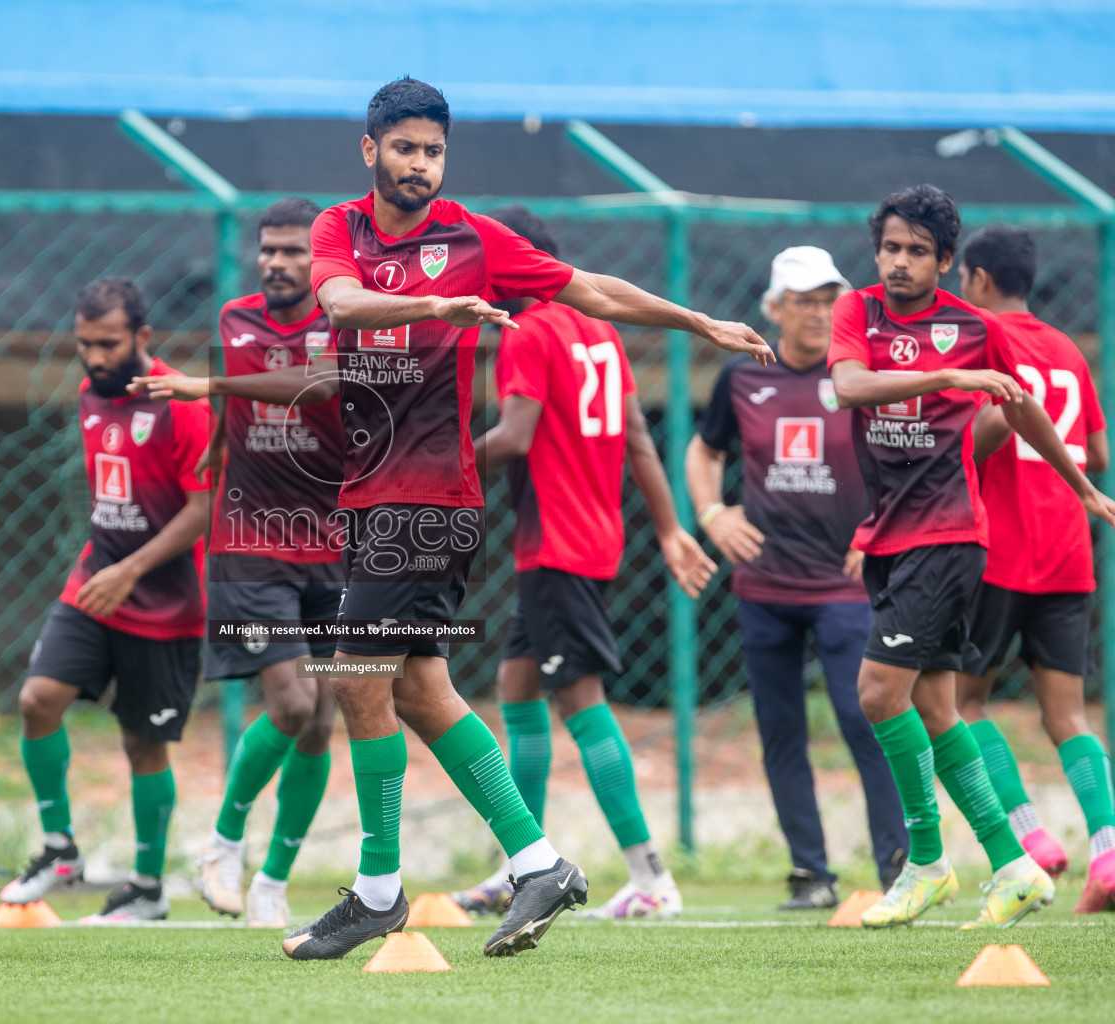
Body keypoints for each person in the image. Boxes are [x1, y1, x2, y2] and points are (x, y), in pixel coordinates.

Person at [136, 76, 769, 960]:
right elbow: (342, 305)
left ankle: (378, 890)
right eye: (406, 149)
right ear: (372, 152)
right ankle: (540, 862)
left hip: (430, 497)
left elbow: (591, 290)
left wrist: (698, 321)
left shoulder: (474, 238)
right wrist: (435, 304)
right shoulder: (336, 231)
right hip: (371, 493)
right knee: (419, 691)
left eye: (434, 152)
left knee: (355, 673)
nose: (421, 166)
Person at [827, 184, 1115, 929]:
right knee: (936, 705)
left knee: (878, 695)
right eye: (890, 247)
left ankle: (926, 862)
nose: (900, 262)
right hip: (890, 533)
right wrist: (949, 378)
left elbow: (1024, 407)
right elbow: (850, 386)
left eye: (918, 252)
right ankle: (1015, 865)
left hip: (952, 536)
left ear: (948, 263)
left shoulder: (976, 326)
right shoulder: (855, 311)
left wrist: (1080, 485)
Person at [452, 205, 715, 921]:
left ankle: (651, 877)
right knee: (515, 687)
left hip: (560, 547)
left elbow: (514, 434)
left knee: (581, 702)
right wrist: (667, 531)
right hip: (586, 542)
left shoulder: (528, 329)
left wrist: (434, 468)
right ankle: (519, 864)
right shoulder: (598, 328)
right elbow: (635, 436)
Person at [687, 246, 909, 909]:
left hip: (845, 589)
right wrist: (711, 513)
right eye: (805, 301)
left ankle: (901, 870)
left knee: (864, 718)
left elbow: (905, 460)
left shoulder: (860, 375)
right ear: (775, 308)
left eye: (828, 300)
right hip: (763, 586)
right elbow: (704, 450)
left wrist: (881, 534)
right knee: (781, 732)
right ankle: (811, 875)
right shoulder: (742, 376)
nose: (819, 313)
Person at [0, 277, 211, 923]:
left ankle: (147, 889)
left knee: (142, 746)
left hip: (168, 602)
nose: (94, 358)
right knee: (38, 701)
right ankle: (60, 850)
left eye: (108, 344)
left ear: (143, 338)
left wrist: (134, 569)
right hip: (94, 582)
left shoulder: (185, 403)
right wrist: (111, 569)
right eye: (85, 344)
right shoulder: (93, 393)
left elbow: (203, 509)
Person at [954, 224, 1115, 914]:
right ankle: (1109, 850)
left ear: (980, 279)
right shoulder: (1068, 350)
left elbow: (972, 435)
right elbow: (1098, 457)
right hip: (1068, 552)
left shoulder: (983, 340)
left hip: (998, 552)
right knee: (1069, 715)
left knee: (963, 702)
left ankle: (1030, 841)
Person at [195, 198, 341, 928]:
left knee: (322, 724)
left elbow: (321, 389)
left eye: (293, 252)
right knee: (291, 704)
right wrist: (218, 448)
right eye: (269, 251)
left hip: (334, 542)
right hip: (253, 540)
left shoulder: (343, 321)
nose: (278, 263)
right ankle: (223, 843)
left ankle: (274, 882)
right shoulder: (235, 319)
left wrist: (219, 392)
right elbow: (242, 407)